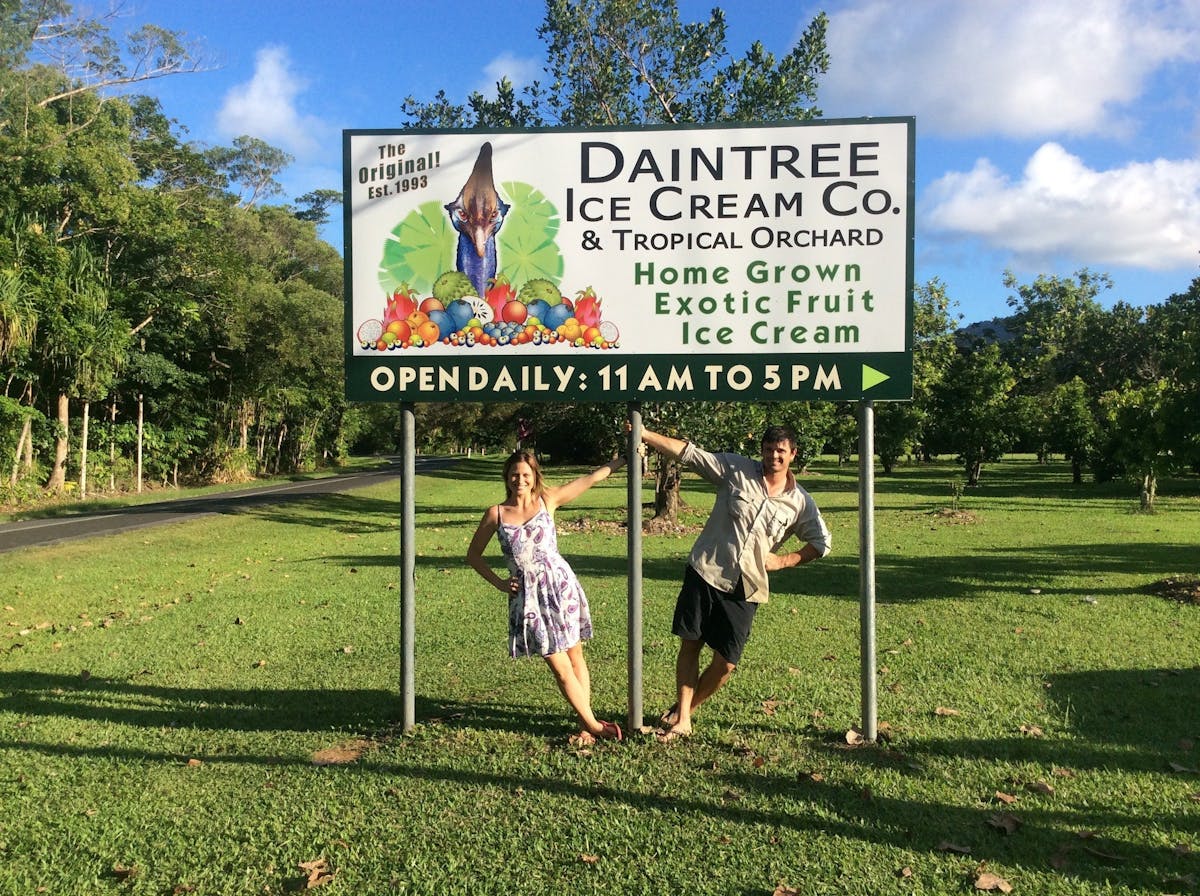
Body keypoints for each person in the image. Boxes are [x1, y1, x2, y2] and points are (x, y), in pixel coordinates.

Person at [636, 424, 831, 741]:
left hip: (747, 584)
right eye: (769, 449)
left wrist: (783, 560)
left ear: (793, 454)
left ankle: (687, 708)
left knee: (726, 663)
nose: (774, 456)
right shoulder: (736, 469)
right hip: (706, 570)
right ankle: (683, 718)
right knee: (691, 644)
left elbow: (821, 543)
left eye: (781, 450)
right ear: (762, 451)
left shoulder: (800, 502)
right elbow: (690, 455)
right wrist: (645, 434)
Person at [467, 449, 625, 745]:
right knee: (557, 663)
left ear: (535, 476)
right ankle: (595, 726)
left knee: (575, 655)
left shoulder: (547, 500)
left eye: (526, 474)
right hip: (527, 598)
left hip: (559, 587)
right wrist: (501, 584)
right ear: (507, 477)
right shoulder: (496, 514)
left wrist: (620, 461)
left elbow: (589, 479)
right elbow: (473, 556)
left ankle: (584, 724)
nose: (520, 480)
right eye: (515, 474)